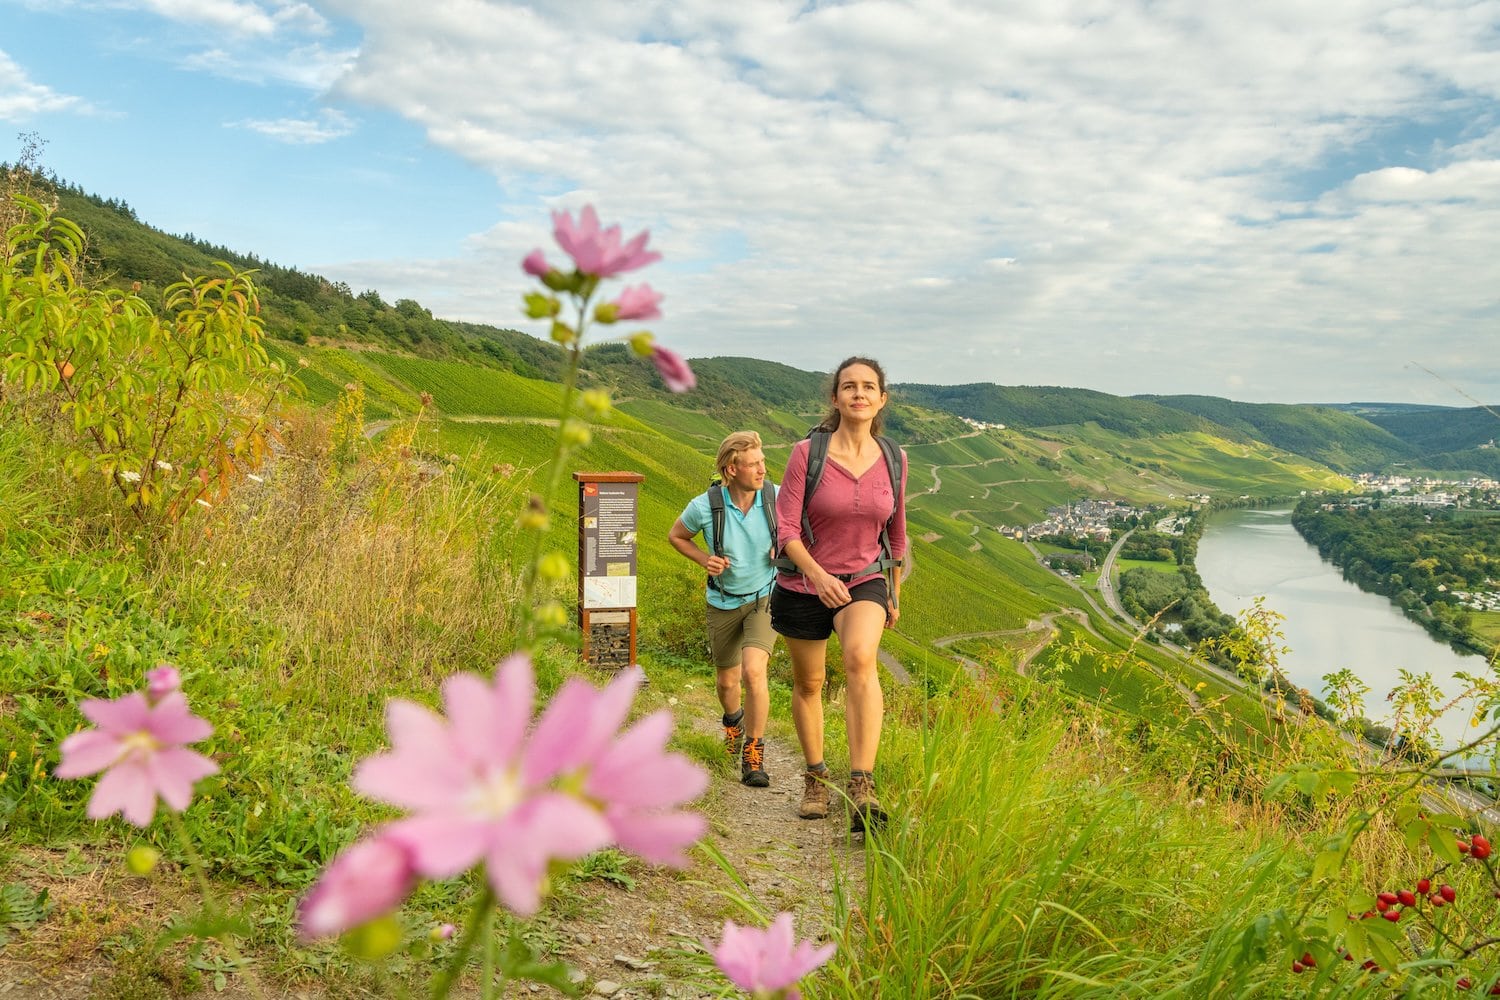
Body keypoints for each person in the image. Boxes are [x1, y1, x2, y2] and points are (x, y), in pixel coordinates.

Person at [771, 357, 907, 832]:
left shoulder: (894, 458)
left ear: (881, 399)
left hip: (865, 578)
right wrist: (816, 574)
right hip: (804, 582)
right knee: (809, 684)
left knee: (859, 660)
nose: (859, 394)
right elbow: (785, 526)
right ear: (835, 398)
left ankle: (862, 784)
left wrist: (891, 589)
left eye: (869, 387)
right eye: (849, 386)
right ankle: (814, 776)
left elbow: (897, 532)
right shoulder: (806, 454)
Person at [668, 431, 779, 787]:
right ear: (732, 469)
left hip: (764, 597)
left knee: (754, 672)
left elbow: (799, 535)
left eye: (763, 461)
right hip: (722, 601)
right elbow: (676, 536)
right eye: (755, 464)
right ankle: (733, 722)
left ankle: (754, 751)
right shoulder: (705, 506)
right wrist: (705, 559)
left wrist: (785, 550)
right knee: (727, 680)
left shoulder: (775, 499)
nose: (763, 469)